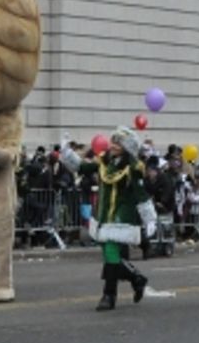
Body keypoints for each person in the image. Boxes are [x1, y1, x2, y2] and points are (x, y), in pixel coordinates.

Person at [61, 126, 156, 311]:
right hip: (103, 214)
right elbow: (82, 167)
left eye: (117, 143)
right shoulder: (104, 161)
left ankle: (109, 296)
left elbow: (140, 192)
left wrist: (149, 218)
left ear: (126, 146)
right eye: (112, 142)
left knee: (111, 252)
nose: (112, 145)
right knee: (109, 256)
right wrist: (66, 152)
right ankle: (137, 278)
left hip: (122, 215)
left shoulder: (133, 167)